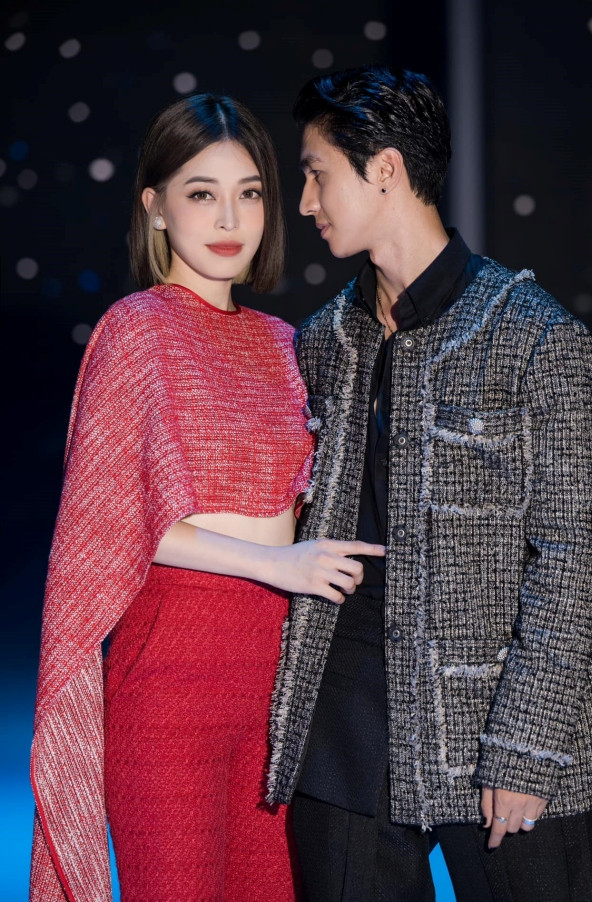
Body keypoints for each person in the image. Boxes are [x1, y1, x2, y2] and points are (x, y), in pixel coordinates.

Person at [266, 66, 592, 901]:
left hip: (501, 722)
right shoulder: (324, 341)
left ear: (384, 170)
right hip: (350, 720)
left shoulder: (535, 336)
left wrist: (526, 748)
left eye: (317, 174)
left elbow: (567, 560)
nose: (306, 203)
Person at [29, 93, 384, 902]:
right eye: (201, 193)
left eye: (249, 193)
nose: (230, 218)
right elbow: (111, 523)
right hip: (170, 683)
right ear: (155, 207)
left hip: (279, 685)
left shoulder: (286, 343)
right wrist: (280, 563)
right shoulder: (136, 329)